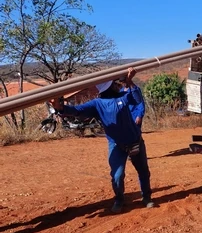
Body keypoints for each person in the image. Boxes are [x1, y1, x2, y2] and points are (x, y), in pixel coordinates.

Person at [49, 68, 155, 213]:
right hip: (117, 145)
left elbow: (137, 99)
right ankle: (119, 199)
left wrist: (129, 82)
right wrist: (59, 107)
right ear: (109, 86)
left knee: (143, 171)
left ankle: (147, 197)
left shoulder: (124, 96)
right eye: (114, 83)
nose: (117, 85)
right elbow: (77, 110)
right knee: (117, 176)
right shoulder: (97, 104)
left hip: (135, 141)